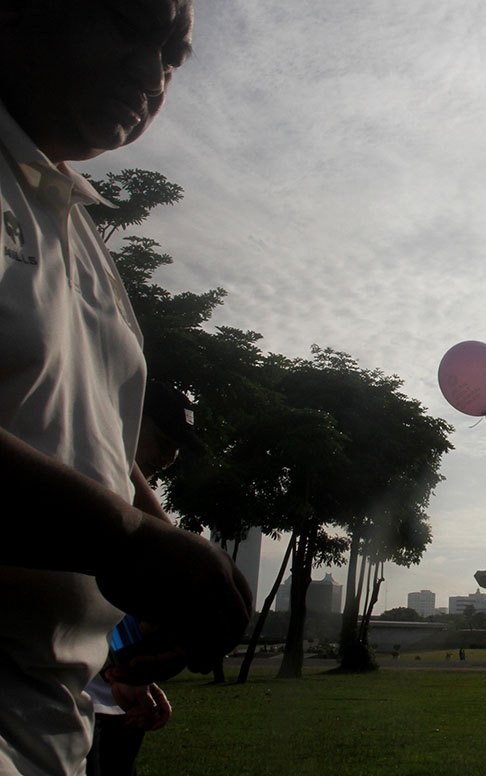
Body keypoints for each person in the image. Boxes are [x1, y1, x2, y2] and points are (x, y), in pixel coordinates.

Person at [0, 3, 252, 773]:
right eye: (122, 24)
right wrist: (127, 541)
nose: (152, 74)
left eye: (173, 55)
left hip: (52, 718)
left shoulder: (80, 238)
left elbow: (95, 444)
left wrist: (168, 552)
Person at [86, 382, 207, 776]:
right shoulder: (85, 490)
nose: (169, 456)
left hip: (113, 700)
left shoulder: (131, 509)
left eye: (177, 447)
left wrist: (123, 673)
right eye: (162, 440)